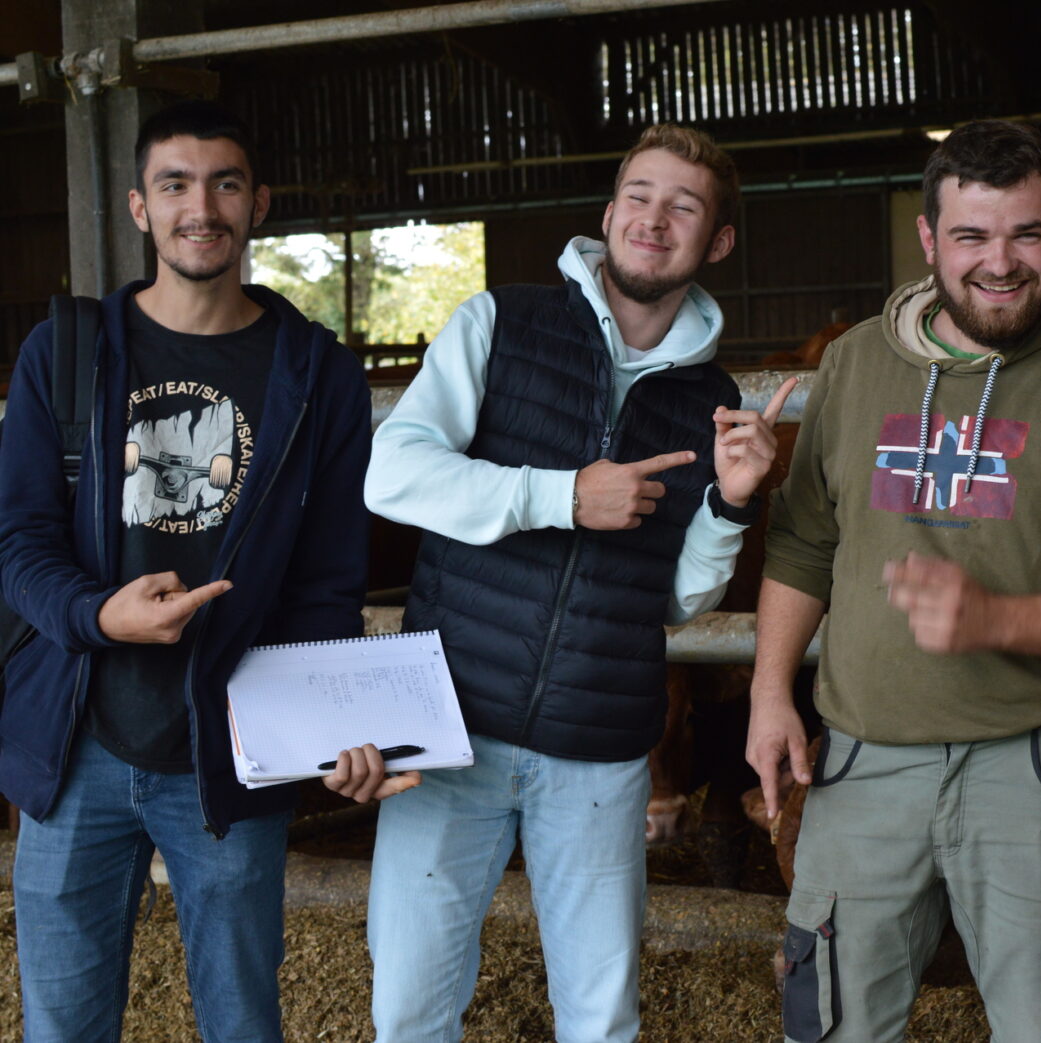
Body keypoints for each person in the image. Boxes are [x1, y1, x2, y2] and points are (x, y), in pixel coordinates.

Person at [746, 119, 1041, 1043]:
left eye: (1026, 234)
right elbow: (802, 541)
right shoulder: (857, 361)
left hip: (1039, 760)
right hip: (865, 751)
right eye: (971, 236)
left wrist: (996, 618)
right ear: (927, 240)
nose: (1001, 262)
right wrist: (768, 692)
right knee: (830, 1021)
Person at [363, 123, 793, 1042]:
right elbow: (391, 473)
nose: (653, 219)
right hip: (448, 724)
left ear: (715, 242)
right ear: (608, 215)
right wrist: (560, 495)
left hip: (598, 750)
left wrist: (728, 503)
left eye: (684, 206)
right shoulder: (499, 322)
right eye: (639, 195)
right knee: (408, 1008)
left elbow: (676, 601)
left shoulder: (707, 397)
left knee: (600, 1019)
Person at [0, 100, 407, 1042]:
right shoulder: (63, 354)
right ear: (140, 207)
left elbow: (326, 583)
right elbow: (18, 545)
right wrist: (102, 616)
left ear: (257, 201)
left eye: (225, 183)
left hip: (228, 749)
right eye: (175, 184)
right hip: (75, 745)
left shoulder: (318, 375)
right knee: (62, 1024)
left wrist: (334, 728)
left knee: (241, 1022)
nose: (202, 207)